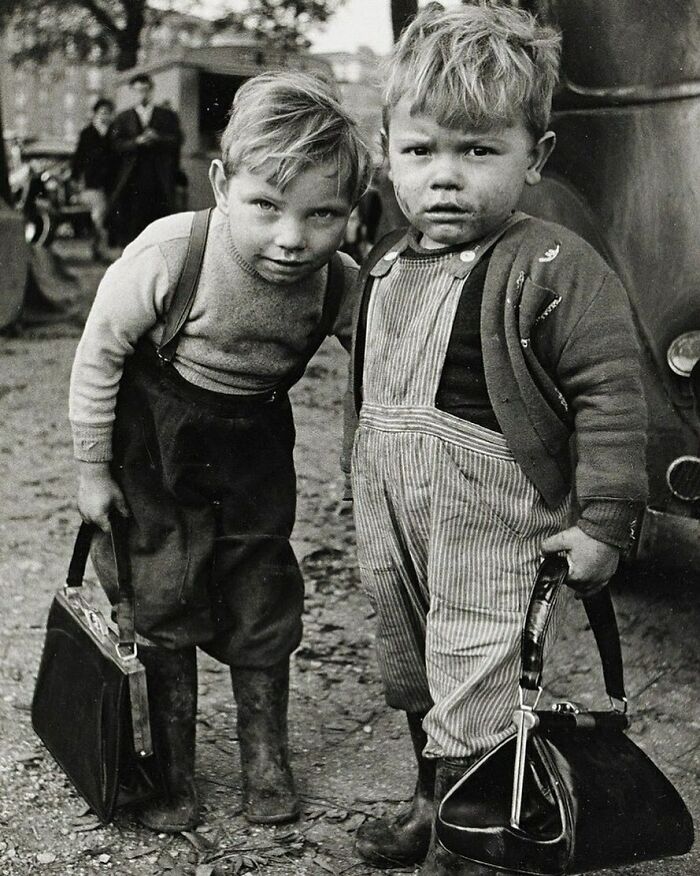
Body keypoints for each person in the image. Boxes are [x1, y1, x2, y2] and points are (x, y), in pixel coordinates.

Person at [344, 5, 648, 874]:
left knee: (477, 673)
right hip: (395, 514)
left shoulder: (553, 265)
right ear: (387, 151)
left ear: (536, 157)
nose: (445, 178)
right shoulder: (386, 264)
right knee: (412, 662)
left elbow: (611, 394)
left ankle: (476, 844)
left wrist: (604, 522)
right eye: (421, 151)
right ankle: (432, 802)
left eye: (479, 152)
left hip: (494, 523)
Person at [69, 71, 372, 834]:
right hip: (155, 455)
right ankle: (174, 773)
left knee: (261, 592)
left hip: (253, 454)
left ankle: (264, 755)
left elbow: (387, 356)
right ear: (220, 184)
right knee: (161, 595)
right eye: (265, 206)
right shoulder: (174, 251)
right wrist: (90, 468)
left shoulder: (339, 284)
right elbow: (99, 352)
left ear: (351, 214)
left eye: (322, 214)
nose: (291, 237)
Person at [109, 73, 183, 246]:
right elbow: (115, 145)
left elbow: (178, 140)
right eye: (138, 91)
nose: (142, 95)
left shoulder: (167, 115)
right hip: (131, 179)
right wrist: (136, 142)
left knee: (159, 218)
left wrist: (158, 138)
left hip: (159, 177)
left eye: (145, 90)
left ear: (152, 91)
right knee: (133, 219)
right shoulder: (123, 118)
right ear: (132, 93)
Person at [71, 98, 117, 262]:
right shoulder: (87, 133)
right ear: (95, 114)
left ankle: (97, 248)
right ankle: (98, 249)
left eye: (108, 113)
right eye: (102, 113)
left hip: (112, 183)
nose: (105, 117)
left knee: (102, 216)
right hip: (93, 182)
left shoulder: (114, 132)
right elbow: (78, 158)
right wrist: (75, 178)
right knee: (98, 215)